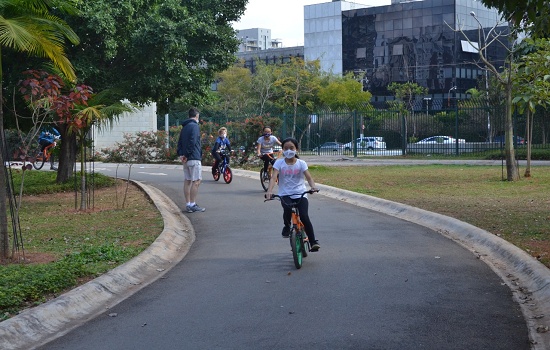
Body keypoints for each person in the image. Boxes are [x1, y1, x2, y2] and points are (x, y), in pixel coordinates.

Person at [266, 137, 320, 252]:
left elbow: (309, 178)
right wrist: (269, 191)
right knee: (287, 208)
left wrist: (313, 187)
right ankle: (287, 225)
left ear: (296, 149)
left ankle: (313, 242)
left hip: (300, 193)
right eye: (286, 148)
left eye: (291, 148)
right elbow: (274, 177)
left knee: (304, 216)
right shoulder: (279, 163)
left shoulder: (301, 163)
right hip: (285, 193)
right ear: (282, 150)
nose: (289, 150)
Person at [177, 107, 206, 213]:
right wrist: (188, 154)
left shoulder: (184, 127)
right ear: (197, 116)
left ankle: (188, 203)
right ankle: (193, 204)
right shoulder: (195, 126)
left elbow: (179, 142)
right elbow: (193, 141)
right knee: (197, 181)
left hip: (185, 159)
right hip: (193, 157)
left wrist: (182, 155)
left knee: (187, 180)